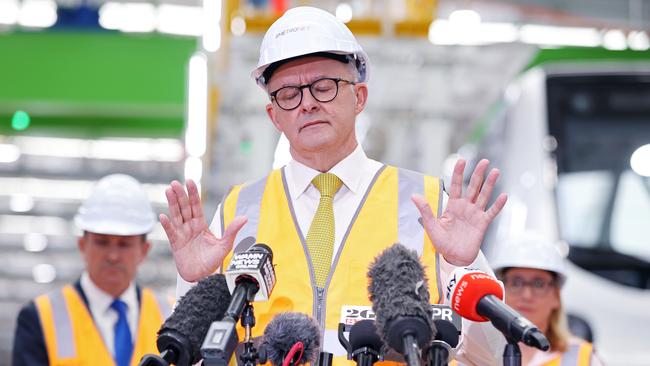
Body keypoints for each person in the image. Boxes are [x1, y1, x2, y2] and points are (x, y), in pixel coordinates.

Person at [161, 6, 508, 365]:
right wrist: (194, 284)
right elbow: (196, 358)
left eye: (324, 87)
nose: (308, 103)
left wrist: (462, 266)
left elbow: (489, 357)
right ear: (273, 115)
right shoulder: (238, 212)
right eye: (288, 94)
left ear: (359, 97)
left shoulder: (430, 206)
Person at [12, 174, 172, 366]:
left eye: (124, 244)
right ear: (82, 245)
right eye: (102, 242)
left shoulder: (171, 317)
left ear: (144, 250)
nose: (113, 256)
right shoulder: (40, 317)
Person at [491, 235, 603, 366]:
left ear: (556, 296)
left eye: (539, 284)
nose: (527, 295)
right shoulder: (471, 354)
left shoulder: (582, 359)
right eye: (516, 283)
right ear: (500, 290)